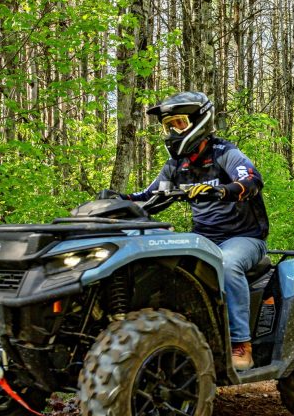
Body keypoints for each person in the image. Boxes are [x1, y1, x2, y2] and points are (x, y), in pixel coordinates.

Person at [99, 91, 268, 371]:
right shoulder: (176, 165)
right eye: (168, 126)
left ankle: (241, 344)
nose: (171, 131)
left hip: (243, 238)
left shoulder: (226, 153)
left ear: (200, 121)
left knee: (226, 264)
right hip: (203, 238)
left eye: (178, 123)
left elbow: (251, 180)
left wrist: (222, 190)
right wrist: (118, 199)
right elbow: (149, 197)